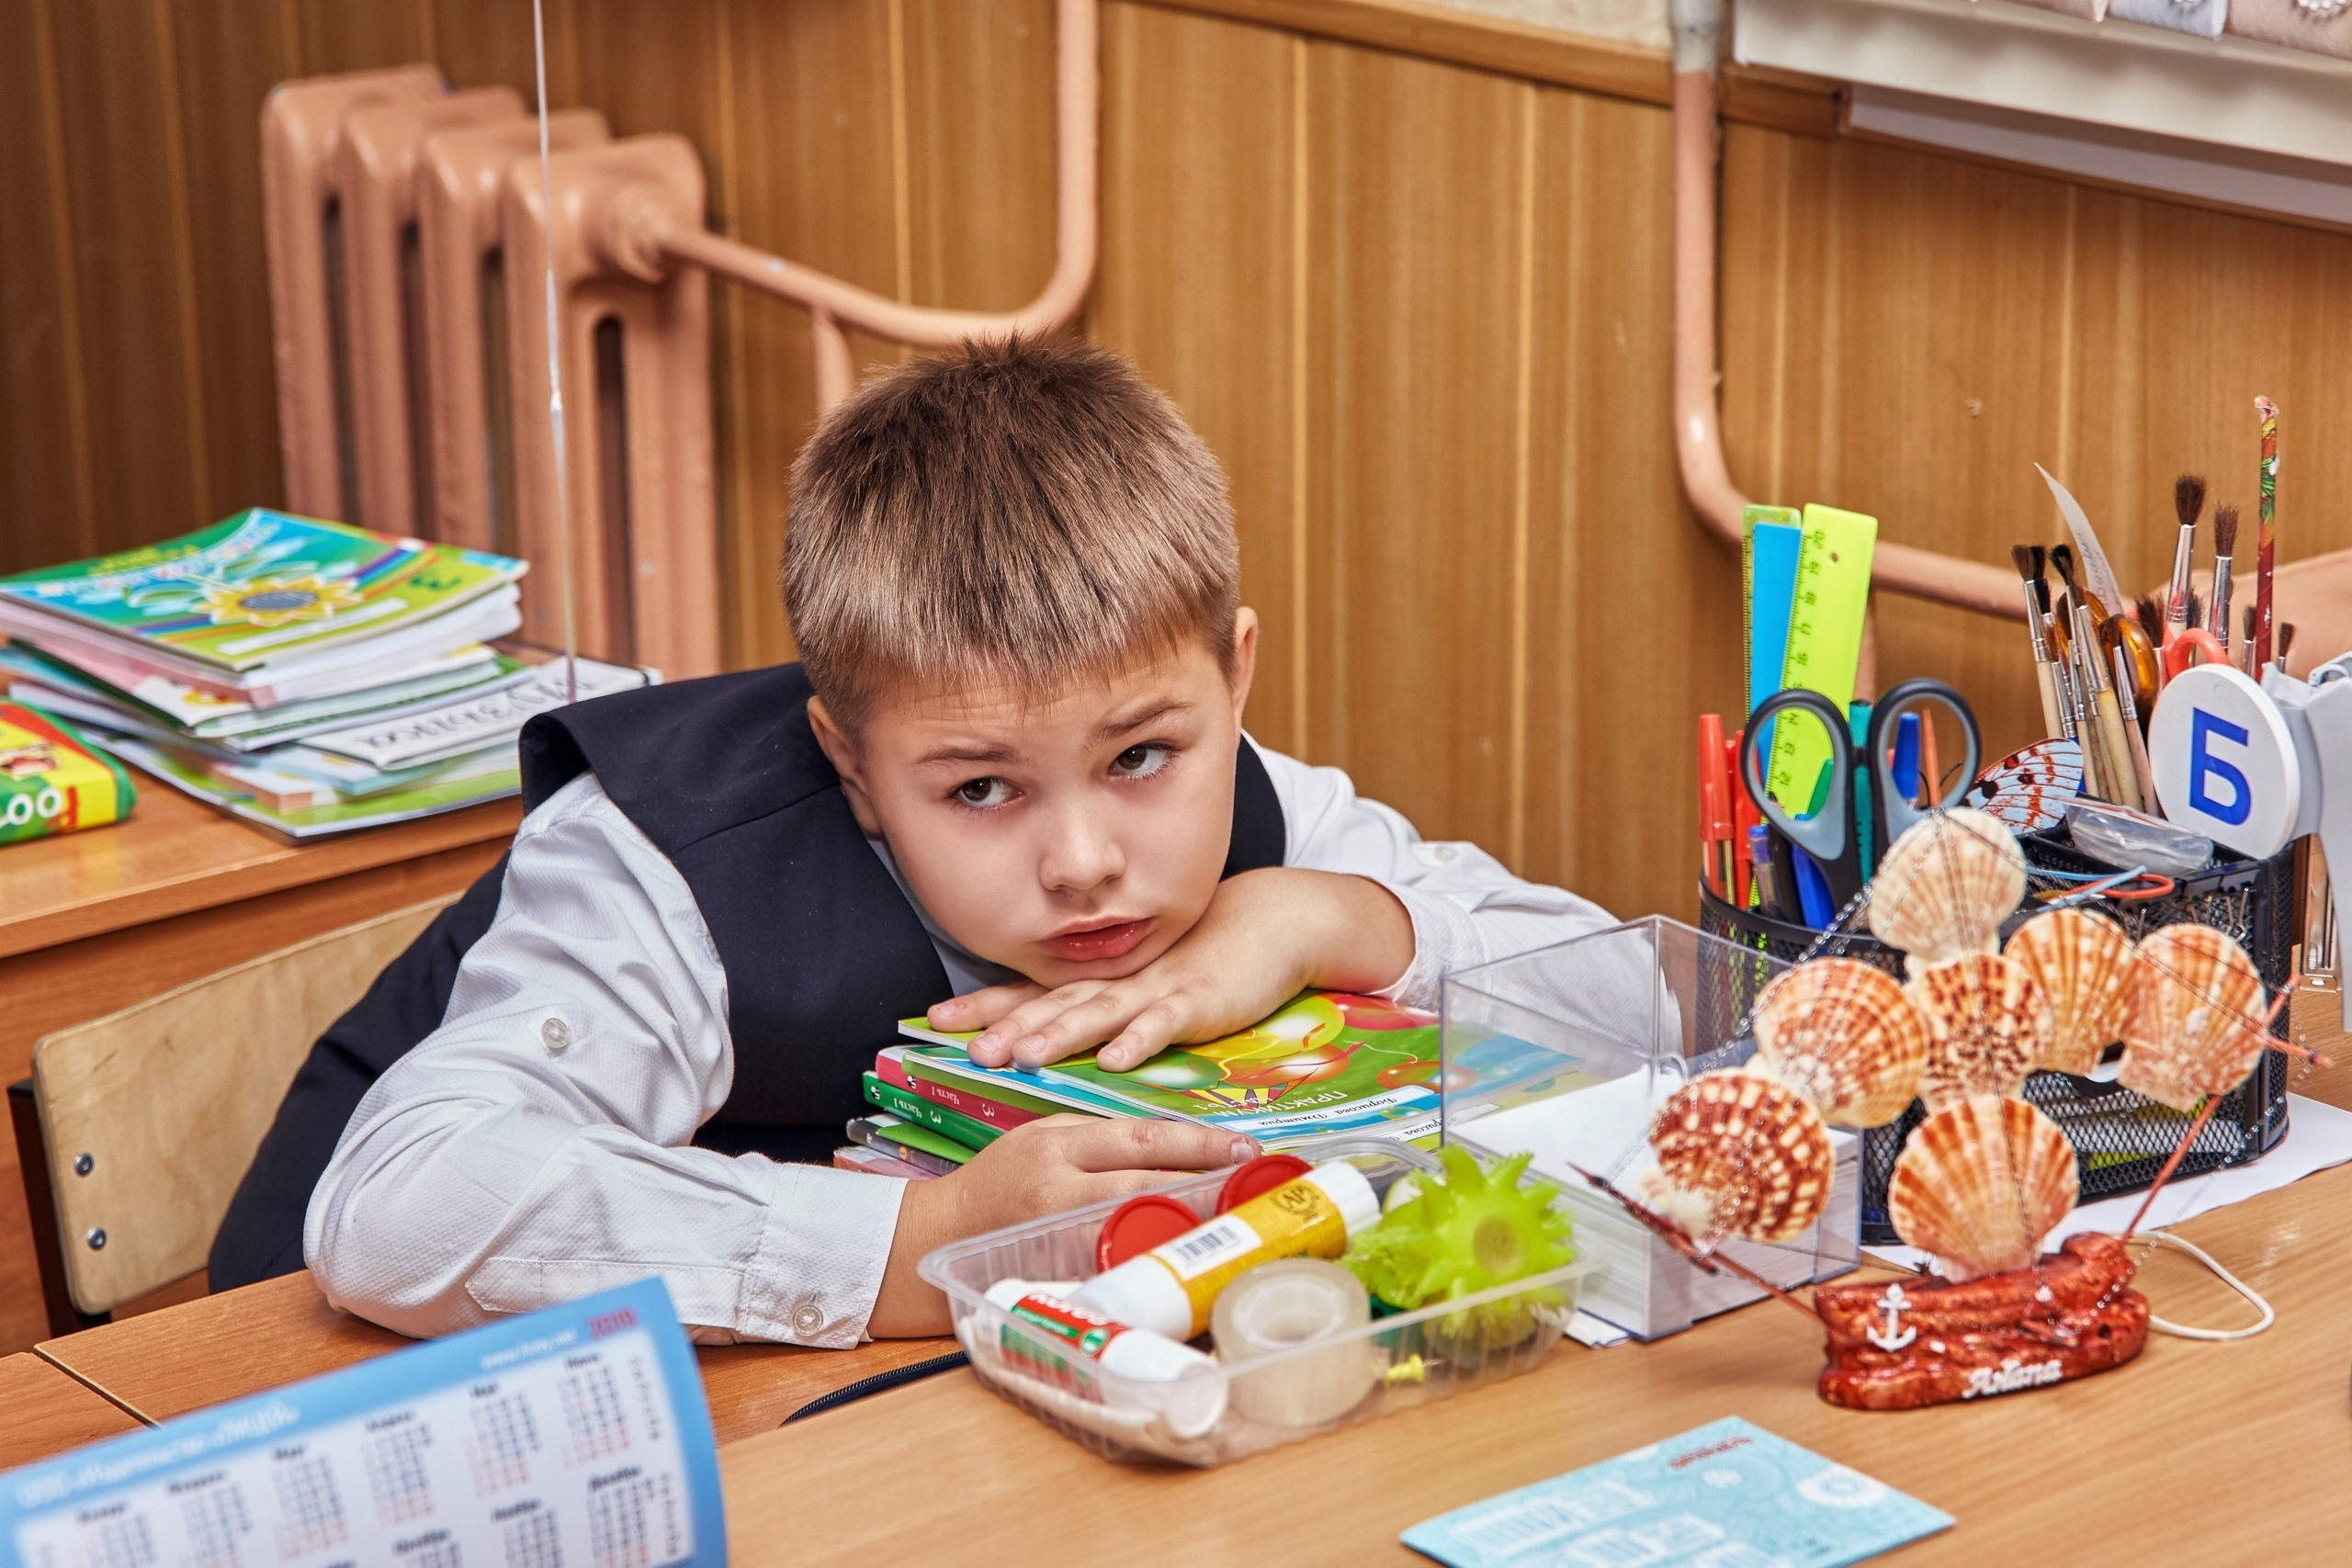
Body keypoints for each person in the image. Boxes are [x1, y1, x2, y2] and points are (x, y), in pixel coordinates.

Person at [224, 337, 1615, 1345]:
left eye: (1140, 757)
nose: (1085, 858)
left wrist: (1334, 919)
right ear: (851, 761)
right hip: (335, 1392)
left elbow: (1648, 1000)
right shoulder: (665, 865)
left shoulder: (1262, 810)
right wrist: (929, 1243)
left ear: (1233, 677)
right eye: (981, 791)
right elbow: (400, 1210)